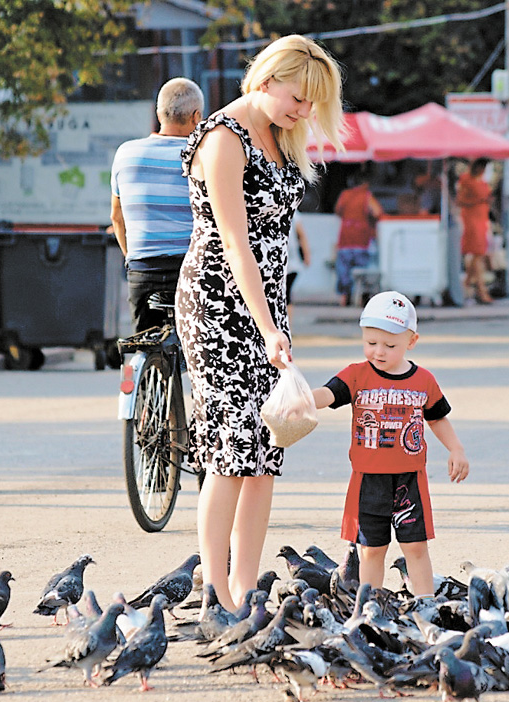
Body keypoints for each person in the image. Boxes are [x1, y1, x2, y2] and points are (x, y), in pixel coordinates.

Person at [175, 35, 344, 613]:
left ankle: (247, 591)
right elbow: (237, 246)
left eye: (310, 105)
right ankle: (214, 595)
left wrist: (279, 321)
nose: (303, 112)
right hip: (217, 303)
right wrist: (270, 327)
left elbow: (275, 251)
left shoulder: (277, 134)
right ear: (267, 80)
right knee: (230, 452)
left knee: (267, 449)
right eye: (298, 99)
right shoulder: (224, 138)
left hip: (263, 304)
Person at [310, 291, 469, 595]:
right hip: (368, 480)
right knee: (371, 550)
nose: (379, 352)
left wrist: (456, 449)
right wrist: (299, 399)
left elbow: (436, 418)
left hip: (410, 479)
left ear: (412, 341)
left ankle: (426, 603)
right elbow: (328, 394)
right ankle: (369, 607)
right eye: (371, 343)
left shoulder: (423, 380)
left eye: (390, 345)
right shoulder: (356, 375)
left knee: (416, 547)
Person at [110, 77, 204, 332]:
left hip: (142, 269)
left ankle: (139, 369)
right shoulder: (202, 155)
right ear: (196, 117)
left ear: (159, 112)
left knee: (143, 341)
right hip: (189, 269)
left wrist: (133, 258)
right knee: (201, 351)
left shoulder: (125, 153)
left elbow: (117, 218)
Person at [333, 173, 383, 306]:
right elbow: (377, 212)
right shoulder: (366, 196)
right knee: (363, 271)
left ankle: (345, 297)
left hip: (345, 239)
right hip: (362, 239)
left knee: (344, 271)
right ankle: (363, 297)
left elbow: (338, 210)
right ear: (364, 184)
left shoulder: (345, 195)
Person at [455, 157, 494, 304]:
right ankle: (481, 290)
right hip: (471, 219)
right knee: (477, 254)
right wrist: (477, 202)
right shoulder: (466, 180)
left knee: (479, 254)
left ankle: (466, 286)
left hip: (482, 218)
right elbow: (460, 201)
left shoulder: (482, 181)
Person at [286, 210, 311, 324]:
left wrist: (306, 255)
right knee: (285, 295)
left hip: (291, 262)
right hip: (287, 262)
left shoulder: (294, 214)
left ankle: (288, 324)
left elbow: (301, 235)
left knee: (286, 294)